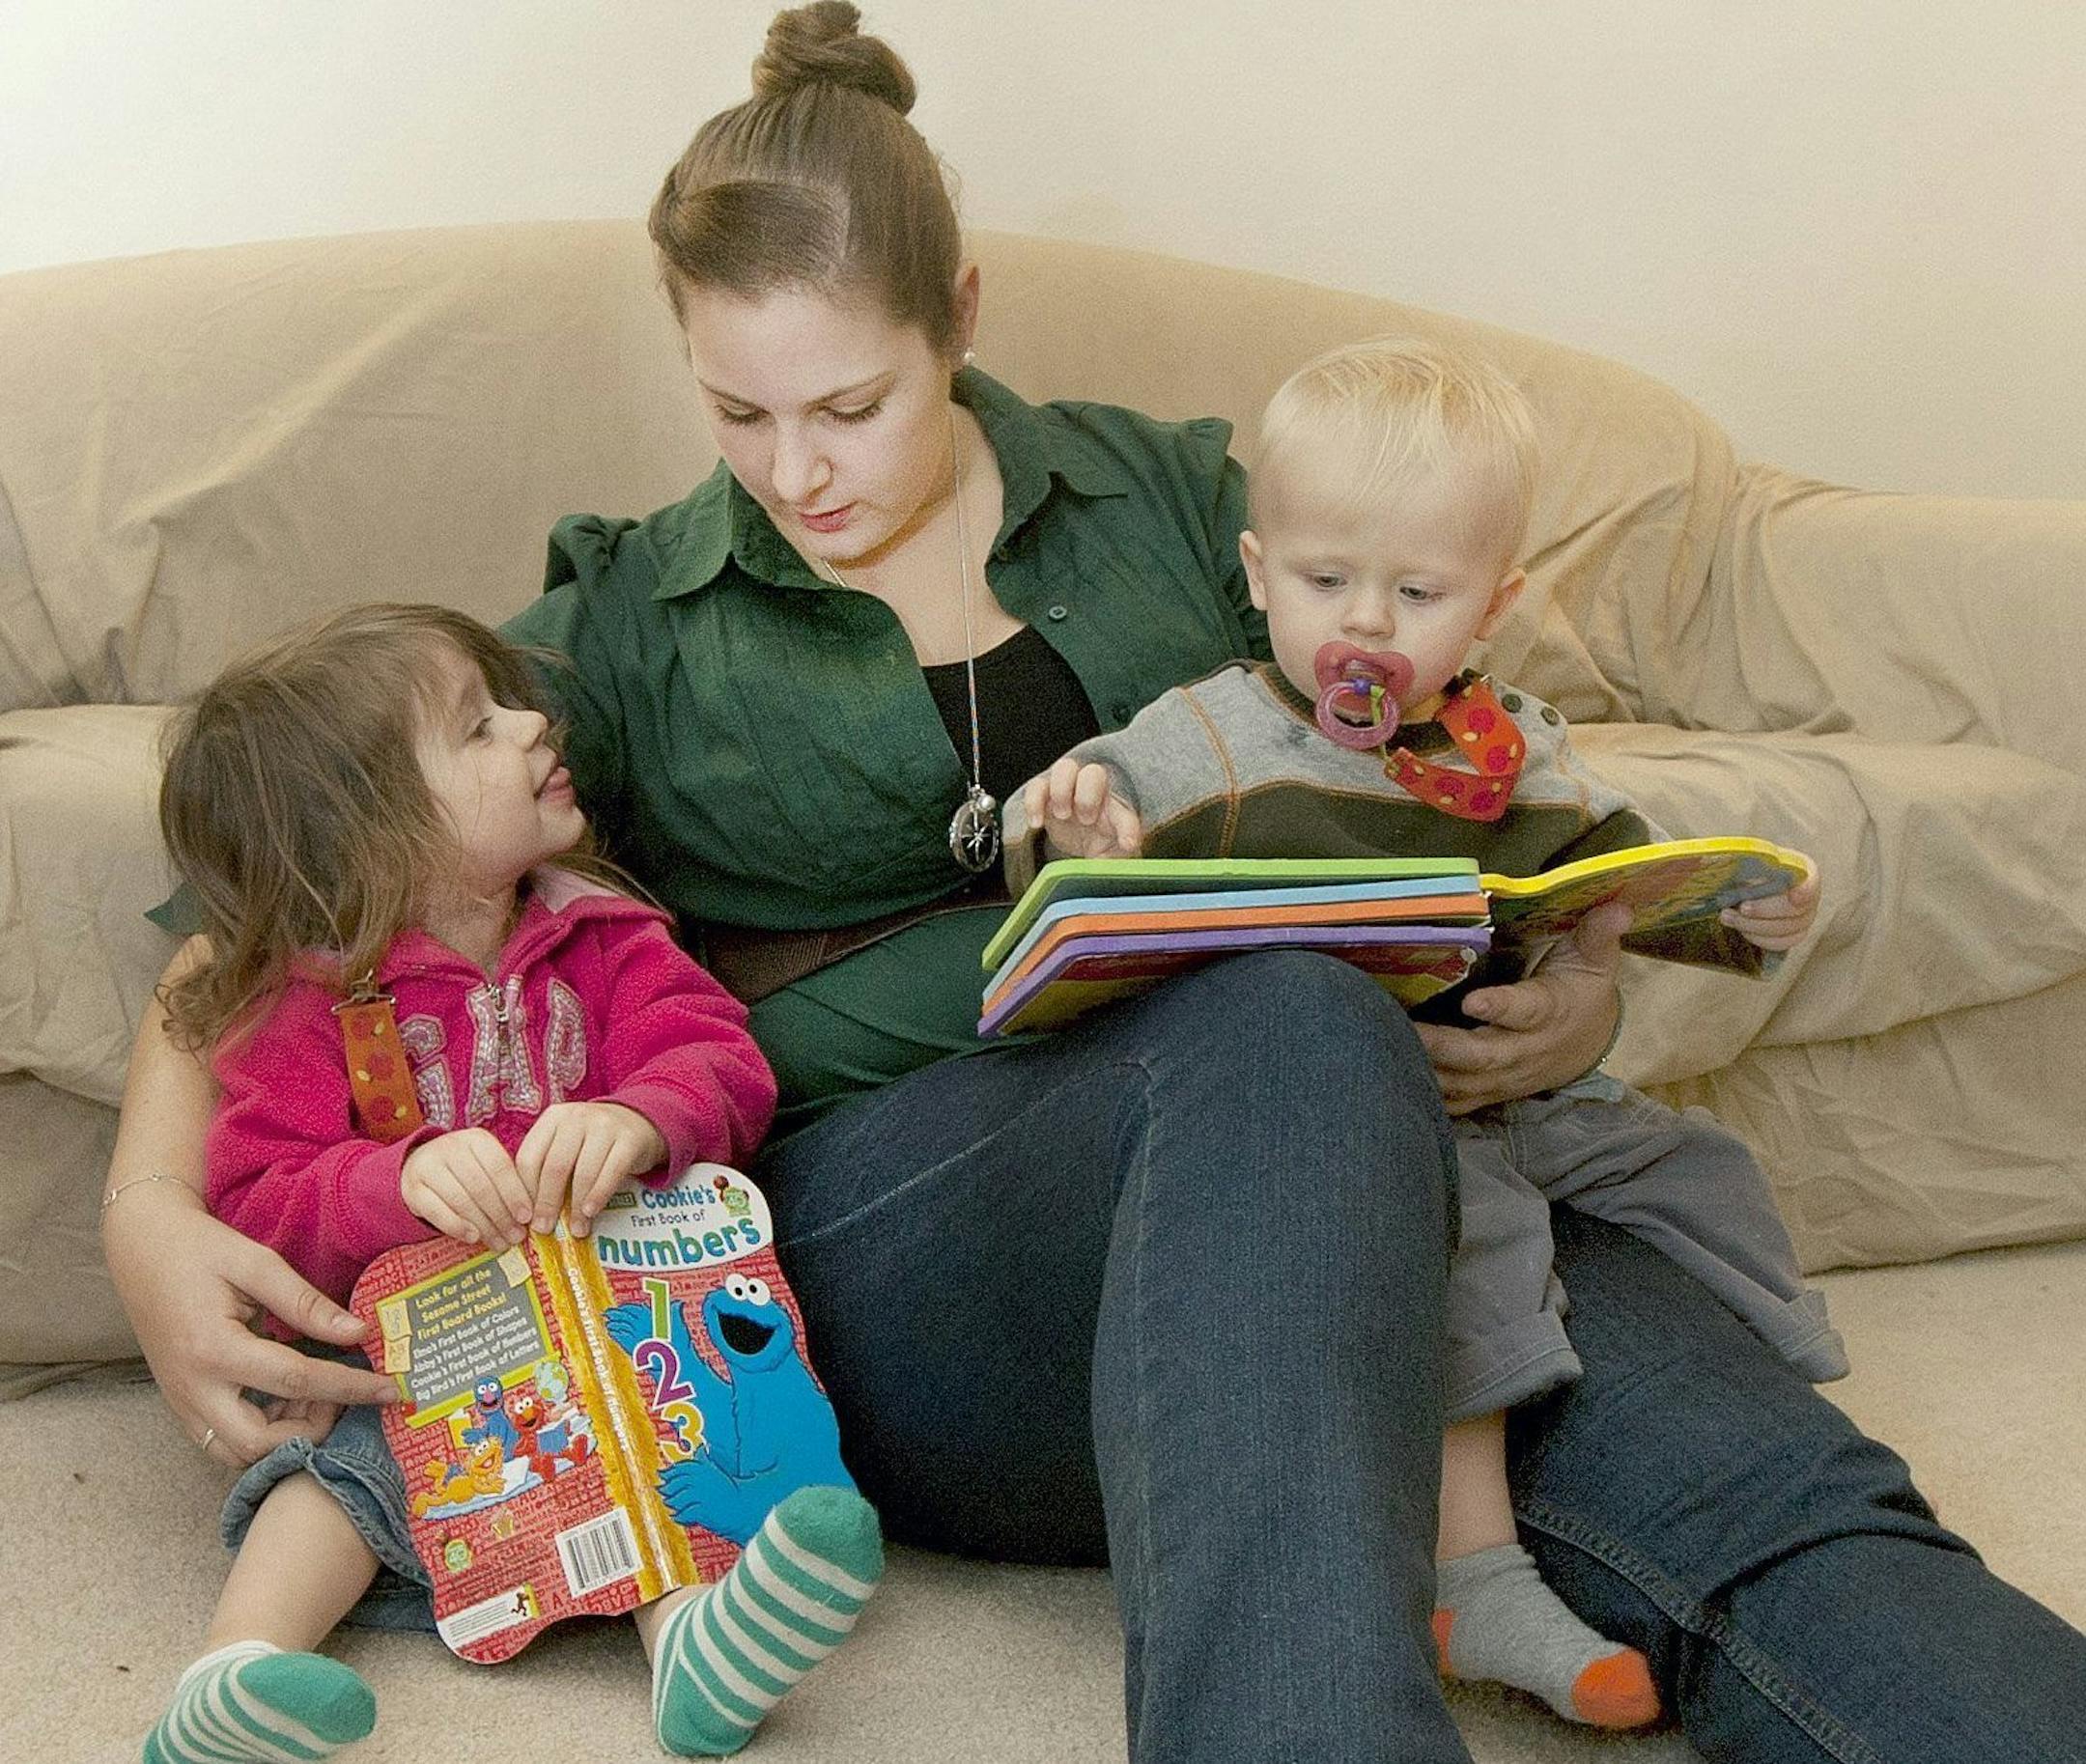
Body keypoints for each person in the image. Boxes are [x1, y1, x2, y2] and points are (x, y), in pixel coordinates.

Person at [101, 6, 2086, 1762]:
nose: (795, 471)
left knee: (1768, 1496)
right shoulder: (637, 611)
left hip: (1341, 1194)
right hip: (902, 1248)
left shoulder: (1179, 500)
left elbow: (1445, 741)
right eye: (736, 412)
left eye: (850, 405)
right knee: (1280, 1018)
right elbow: (286, 886)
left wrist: (1579, 989)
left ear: (959, 313)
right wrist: (143, 1214)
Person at [1004, 336, 1852, 1730]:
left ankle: (1762, 1397)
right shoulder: (1215, 735)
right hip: (1361, 1118)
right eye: (1326, 581)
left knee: (1703, 1171)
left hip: (1525, 1085)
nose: (1367, 625)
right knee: (1482, 1240)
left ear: (1496, 602)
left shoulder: (1520, 748)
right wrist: (1076, 828)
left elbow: (1619, 880)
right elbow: (1076, 834)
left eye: (1418, 593)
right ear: (1259, 572)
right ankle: (1473, 1567)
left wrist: (1738, 914)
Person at [138, 603, 881, 1764]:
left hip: (610, 1307)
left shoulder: (607, 936)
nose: (535, 724)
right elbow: (260, 1200)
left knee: (671, 1424)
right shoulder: (304, 1004)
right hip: (425, 1362)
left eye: (509, 706)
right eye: (479, 728)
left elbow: (721, 1060)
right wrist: (395, 1183)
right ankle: (236, 1672)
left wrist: (642, 1117)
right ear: (368, 834)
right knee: (345, 1466)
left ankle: (691, 1642)